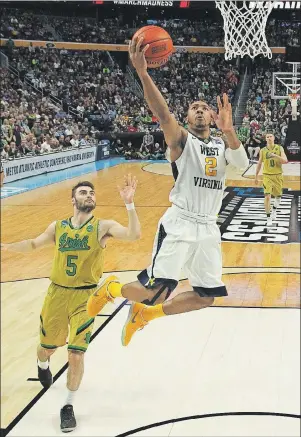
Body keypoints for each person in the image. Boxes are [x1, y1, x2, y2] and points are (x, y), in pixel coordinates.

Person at [87, 35, 249, 346]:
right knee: (154, 290)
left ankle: (145, 316)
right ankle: (111, 290)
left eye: (204, 108)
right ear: (187, 118)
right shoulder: (181, 141)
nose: (200, 111)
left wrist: (230, 132)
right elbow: (163, 115)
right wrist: (143, 73)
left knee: (205, 297)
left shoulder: (221, 144)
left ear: (214, 117)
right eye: (194, 108)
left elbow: (241, 164)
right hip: (181, 223)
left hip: (209, 228)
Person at [1, 175, 140, 433]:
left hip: (85, 298)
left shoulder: (102, 226)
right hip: (57, 294)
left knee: (76, 353)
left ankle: (68, 405)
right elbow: (33, 244)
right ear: (73, 199)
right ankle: (42, 365)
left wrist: (130, 205)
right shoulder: (58, 227)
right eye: (84, 193)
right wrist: (6, 247)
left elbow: (133, 235)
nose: (89, 196)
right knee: (47, 349)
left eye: (91, 193)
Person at [255, 132, 288, 226]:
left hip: (278, 175)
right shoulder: (262, 150)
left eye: (270, 136)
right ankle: (268, 217)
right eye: (267, 137)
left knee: (278, 197)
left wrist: (275, 156)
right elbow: (259, 163)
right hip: (267, 175)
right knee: (267, 196)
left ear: (274, 138)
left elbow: (285, 161)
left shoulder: (279, 148)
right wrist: (256, 176)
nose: (269, 138)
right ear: (265, 139)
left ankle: (274, 210)